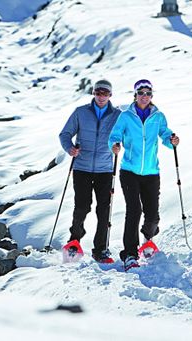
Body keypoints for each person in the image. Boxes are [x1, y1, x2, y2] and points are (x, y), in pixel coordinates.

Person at [108, 79, 179, 269]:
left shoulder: (158, 116)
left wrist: (171, 140)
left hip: (151, 172)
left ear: (151, 96)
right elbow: (115, 135)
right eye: (141, 93)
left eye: (148, 93)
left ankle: (148, 238)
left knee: (153, 215)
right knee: (134, 210)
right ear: (135, 95)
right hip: (129, 170)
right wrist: (114, 145)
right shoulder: (125, 116)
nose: (144, 97)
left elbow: (165, 134)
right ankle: (130, 254)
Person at [59, 79, 121, 263]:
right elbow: (65, 134)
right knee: (81, 207)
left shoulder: (117, 115)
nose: (101, 96)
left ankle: (100, 249)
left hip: (105, 169)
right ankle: (74, 242)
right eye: (98, 92)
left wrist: (119, 145)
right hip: (82, 168)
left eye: (105, 93)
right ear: (93, 93)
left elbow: (125, 135)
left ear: (110, 95)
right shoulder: (81, 112)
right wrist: (70, 148)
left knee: (103, 210)